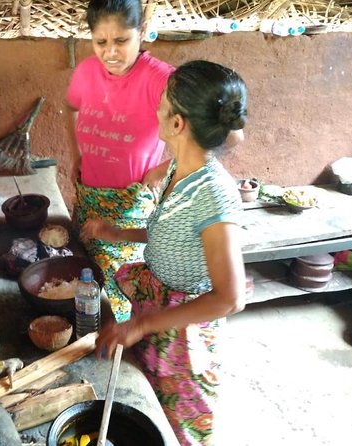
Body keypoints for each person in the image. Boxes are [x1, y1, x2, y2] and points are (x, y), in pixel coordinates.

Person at [80, 60, 249, 446]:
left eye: (163, 101)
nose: (156, 107)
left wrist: (140, 325)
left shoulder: (214, 196)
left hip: (184, 336)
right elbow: (174, 235)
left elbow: (230, 297)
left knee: (177, 428)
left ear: (177, 123)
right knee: (148, 406)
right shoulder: (180, 168)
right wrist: (118, 231)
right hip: (159, 313)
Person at [66, 0, 175, 322]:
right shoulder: (87, 71)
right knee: (87, 281)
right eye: (101, 42)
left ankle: (124, 352)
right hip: (88, 198)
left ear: (141, 31)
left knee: (121, 292)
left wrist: (163, 169)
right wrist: (76, 154)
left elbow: (220, 136)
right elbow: (71, 108)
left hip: (129, 209)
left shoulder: (161, 80)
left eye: (121, 41)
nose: (110, 53)